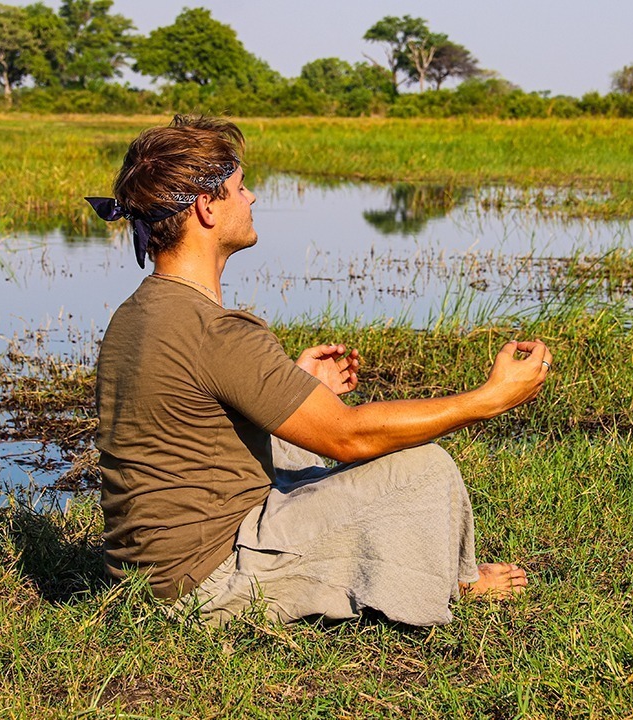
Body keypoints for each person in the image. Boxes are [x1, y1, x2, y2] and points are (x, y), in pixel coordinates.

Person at [88, 115, 553, 627]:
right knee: (425, 468)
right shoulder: (216, 332)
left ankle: (442, 573)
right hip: (205, 584)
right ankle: (452, 580)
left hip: (143, 572)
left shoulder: (137, 313)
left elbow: (191, 424)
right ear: (206, 207)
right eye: (240, 189)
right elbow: (348, 438)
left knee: (290, 443)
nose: (252, 199)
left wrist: (295, 384)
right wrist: (488, 399)